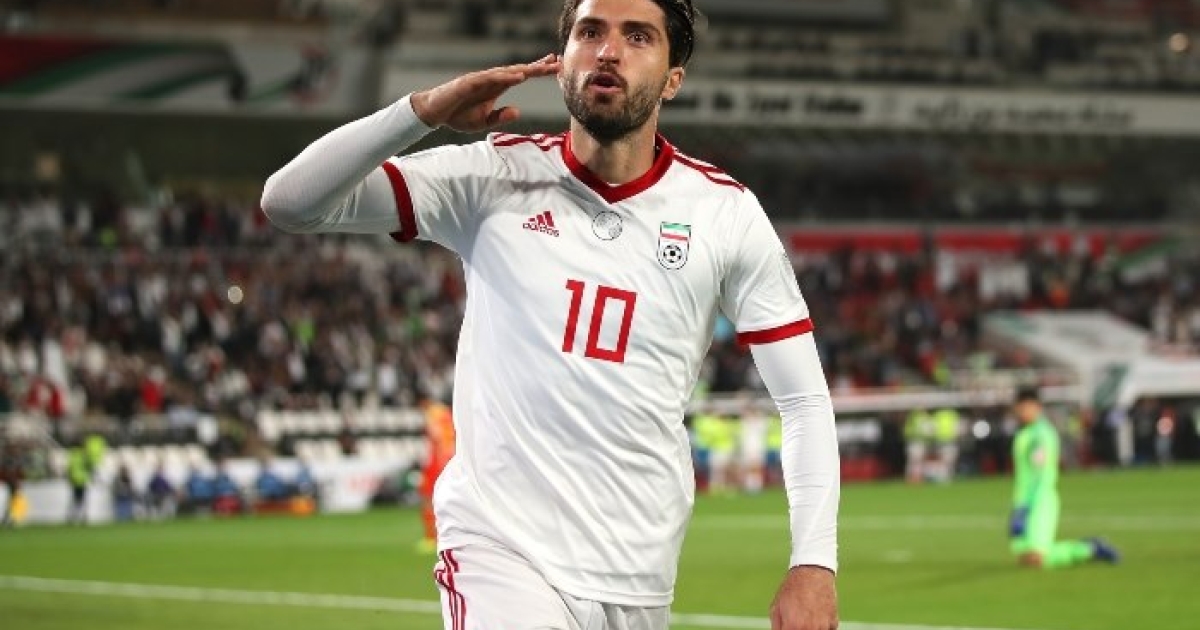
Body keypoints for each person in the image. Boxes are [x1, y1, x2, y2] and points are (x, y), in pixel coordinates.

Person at [261, 0, 840, 627]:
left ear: (674, 78)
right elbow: (290, 203)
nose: (608, 51)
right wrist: (420, 112)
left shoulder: (724, 214)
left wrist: (813, 562)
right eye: (590, 32)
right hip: (499, 550)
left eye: (637, 37)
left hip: (639, 575)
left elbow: (803, 400)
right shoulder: (491, 174)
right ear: (561, 61)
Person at [1009, 386, 1119, 569]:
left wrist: (1027, 506)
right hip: (1021, 500)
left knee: (1038, 559)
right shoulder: (1023, 434)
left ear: (1037, 407)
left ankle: (1089, 549)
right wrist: (1019, 504)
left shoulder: (1040, 434)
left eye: (1027, 407)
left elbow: (1039, 473)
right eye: (1020, 408)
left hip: (1040, 499)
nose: (1023, 412)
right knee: (1024, 558)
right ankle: (1088, 548)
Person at [416, 397, 456, 554]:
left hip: (437, 462)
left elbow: (438, 437)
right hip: (446, 460)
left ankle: (432, 537)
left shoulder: (434, 414)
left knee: (428, 498)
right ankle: (441, 537)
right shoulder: (447, 414)